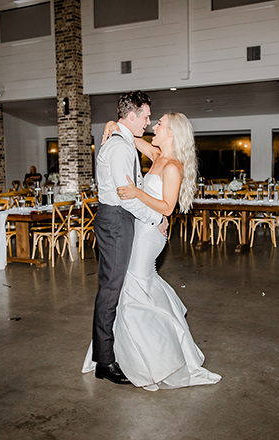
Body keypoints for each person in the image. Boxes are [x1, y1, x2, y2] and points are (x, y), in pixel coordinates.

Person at [83, 112, 221, 391]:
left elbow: (168, 207)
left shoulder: (173, 167)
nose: (153, 127)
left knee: (132, 286)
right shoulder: (157, 153)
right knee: (135, 286)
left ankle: (144, 357)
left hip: (149, 235)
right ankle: (129, 350)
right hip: (142, 226)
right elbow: (131, 138)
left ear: (171, 132)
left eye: (159, 124)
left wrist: (136, 193)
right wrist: (111, 124)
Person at [85, 91, 168, 385]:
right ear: (131, 115)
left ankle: (109, 353)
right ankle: (105, 363)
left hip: (117, 219)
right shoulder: (119, 148)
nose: (148, 121)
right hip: (116, 220)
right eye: (145, 116)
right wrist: (156, 218)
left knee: (114, 288)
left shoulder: (121, 140)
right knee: (110, 290)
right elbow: (126, 197)